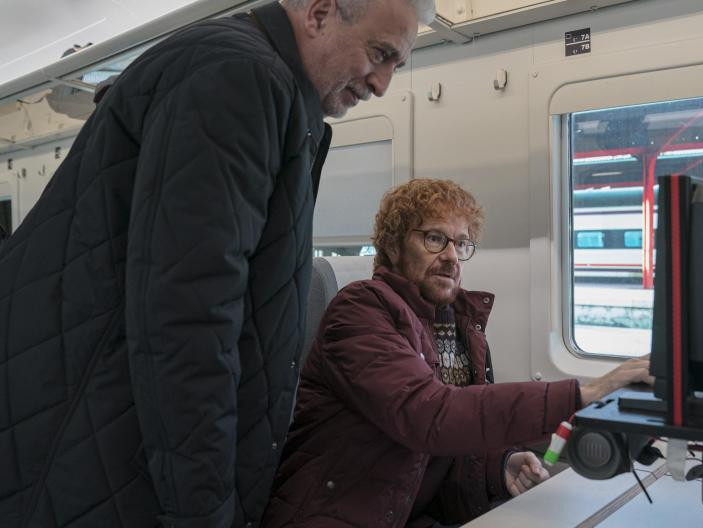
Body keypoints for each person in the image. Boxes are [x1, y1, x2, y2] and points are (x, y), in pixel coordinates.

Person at [0, 1, 434, 526]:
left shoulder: (262, 87)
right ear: (319, 12)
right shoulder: (239, 78)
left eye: (397, 65)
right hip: (91, 446)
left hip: (108, 440)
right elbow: (188, 322)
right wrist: (201, 512)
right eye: (379, 53)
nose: (384, 84)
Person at [263, 179, 653, 527]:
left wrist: (497, 468)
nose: (452, 255)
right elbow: (431, 416)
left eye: (461, 243)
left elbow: (441, 451)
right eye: (435, 239)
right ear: (395, 245)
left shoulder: (457, 326)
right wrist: (582, 395)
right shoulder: (360, 312)